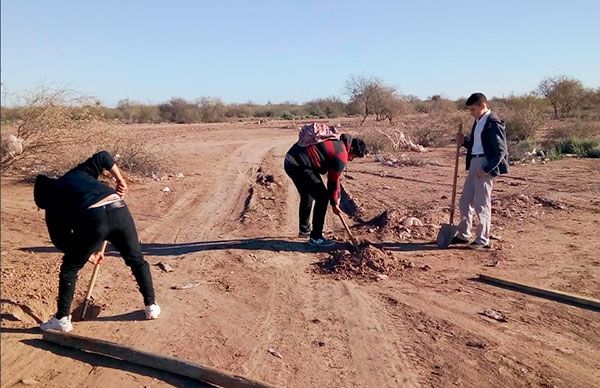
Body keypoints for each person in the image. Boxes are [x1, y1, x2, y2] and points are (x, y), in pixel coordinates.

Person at [36, 151, 160, 332]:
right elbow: (103, 156)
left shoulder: (53, 202)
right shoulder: (77, 174)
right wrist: (120, 180)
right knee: (136, 259)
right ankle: (151, 306)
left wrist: (86, 255)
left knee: (69, 268)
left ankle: (62, 319)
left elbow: (62, 242)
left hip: (93, 219)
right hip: (118, 208)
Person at [284, 132, 367, 247]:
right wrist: (334, 203)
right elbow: (332, 181)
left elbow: (335, 178)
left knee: (308, 193)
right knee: (322, 197)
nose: (351, 159)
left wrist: (336, 200)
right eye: (353, 156)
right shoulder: (341, 154)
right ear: (351, 148)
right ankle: (316, 237)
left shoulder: (338, 140)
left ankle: (304, 230)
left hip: (290, 161)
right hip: (300, 166)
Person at [453, 93, 509, 249]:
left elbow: (501, 151)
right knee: (465, 200)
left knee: (481, 203)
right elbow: (477, 145)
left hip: (485, 163)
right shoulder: (478, 121)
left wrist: (486, 169)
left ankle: (482, 240)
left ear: (482, 106)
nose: (471, 112)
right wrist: (464, 142)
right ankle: (464, 235)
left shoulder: (493, 122)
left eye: (473, 109)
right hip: (474, 162)